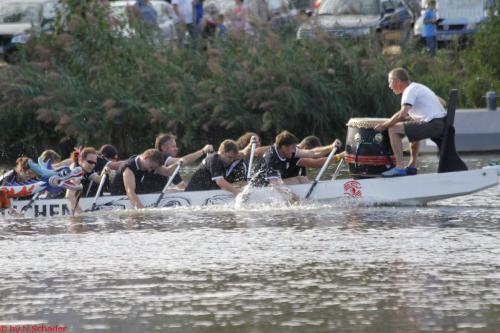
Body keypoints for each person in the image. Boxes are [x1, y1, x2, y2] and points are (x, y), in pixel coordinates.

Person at [374, 67, 447, 177]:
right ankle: (411, 166)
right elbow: (443, 102)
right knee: (412, 124)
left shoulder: (409, 90)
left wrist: (385, 125)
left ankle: (399, 167)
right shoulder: (419, 87)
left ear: (397, 81)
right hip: (440, 124)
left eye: (389, 82)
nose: (389, 86)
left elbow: (402, 113)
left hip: (434, 125)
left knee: (393, 129)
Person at [258, 131, 342, 186]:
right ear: (283, 147)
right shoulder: (271, 157)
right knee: (300, 179)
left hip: (276, 181)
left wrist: (331, 147)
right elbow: (317, 163)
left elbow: (312, 153)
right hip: (263, 186)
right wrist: (339, 156)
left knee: (301, 179)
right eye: (293, 148)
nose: (295, 150)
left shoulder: (289, 151)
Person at [110, 148, 180, 209]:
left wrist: (178, 163)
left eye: (153, 168)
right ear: (146, 158)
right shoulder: (128, 168)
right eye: (151, 167)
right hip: (117, 198)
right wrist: (142, 211)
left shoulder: (148, 163)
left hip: (135, 194)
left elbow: (168, 172)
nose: (150, 170)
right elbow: (130, 192)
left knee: (174, 190)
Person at [143, 133, 213, 191]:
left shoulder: (172, 166)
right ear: (163, 148)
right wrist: (203, 151)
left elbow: (182, 186)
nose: (176, 149)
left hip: (154, 193)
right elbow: (184, 160)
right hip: (148, 195)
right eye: (173, 146)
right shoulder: (160, 158)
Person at [66, 147, 108, 214]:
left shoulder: (86, 169)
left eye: (95, 163)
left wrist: (104, 172)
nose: (93, 165)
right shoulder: (77, 171)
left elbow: (99, 180)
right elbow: (69, 196)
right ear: (81, 160)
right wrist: (82, 214)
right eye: (90, 162)